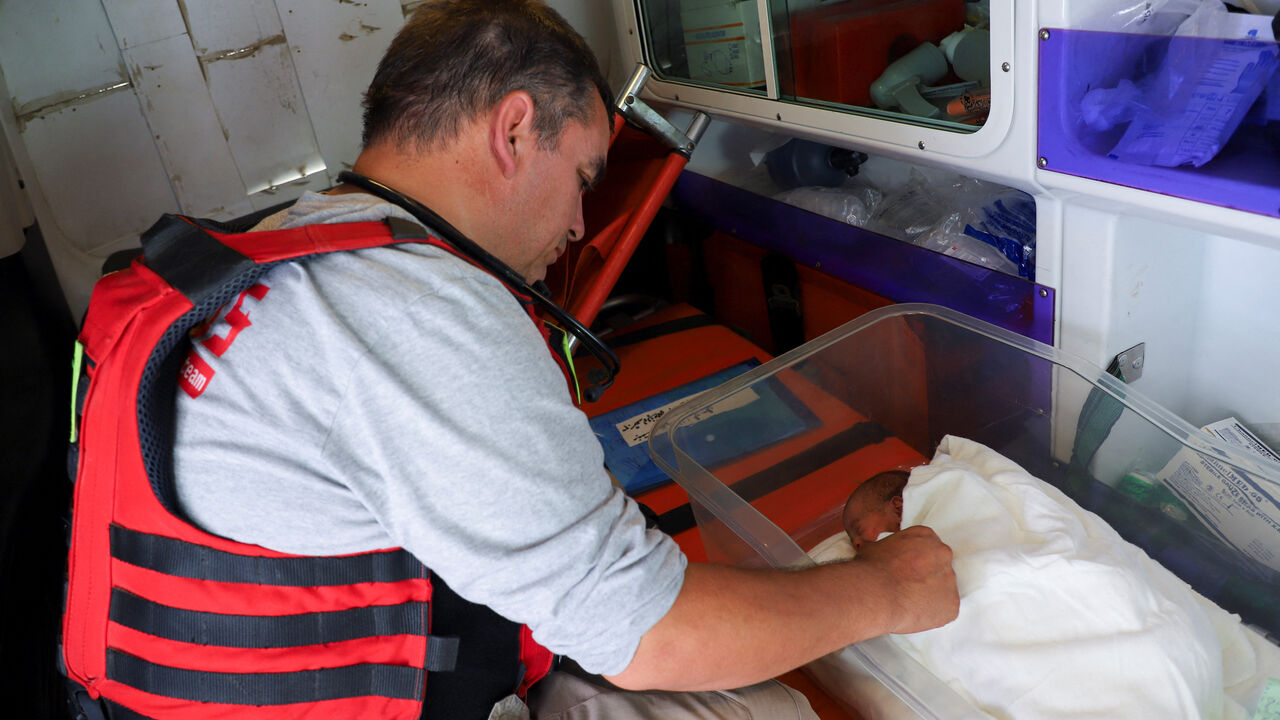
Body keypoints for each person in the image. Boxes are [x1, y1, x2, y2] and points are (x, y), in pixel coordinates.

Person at [159, 1, 960, 718]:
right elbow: (652, 636)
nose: (580, 225)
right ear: (513, 130)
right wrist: (891, 589)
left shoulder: (279, 245)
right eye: (582, 178)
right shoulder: (410, 309)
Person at [835, 436, 1240, 719]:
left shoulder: (951, 501)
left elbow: (1005, 552)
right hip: (1188, 663)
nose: (857, 547)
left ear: (900, 502)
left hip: (1101, 599)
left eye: (858, 532)